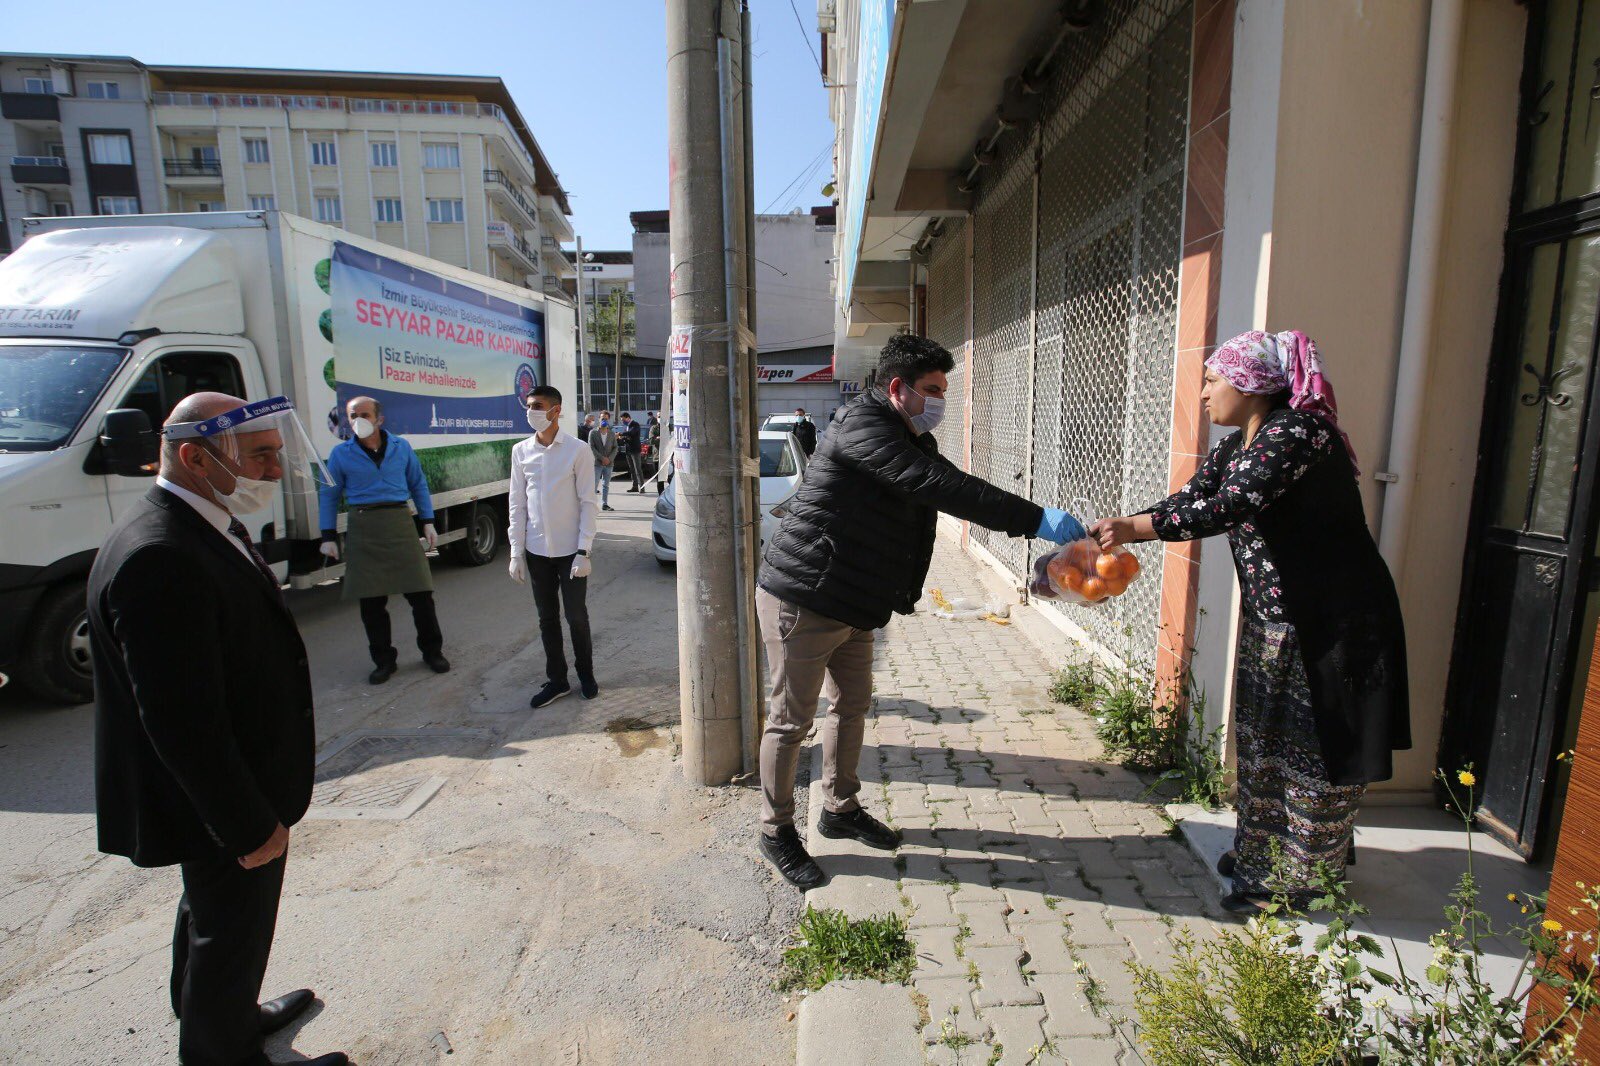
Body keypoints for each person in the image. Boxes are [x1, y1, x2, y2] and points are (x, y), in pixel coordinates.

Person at [1092, 329, 1409, 917]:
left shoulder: (1299, 434)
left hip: (1333, 623)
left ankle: (1304, 879)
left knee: (1317, 748)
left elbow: (1232, 505)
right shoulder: (1241, 443)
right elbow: (1193, 498)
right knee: (1264, 740)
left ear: (1250, 385)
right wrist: (1122, 525)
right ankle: (1264, 855)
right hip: (1277, 621)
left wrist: (1137, 530)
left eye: (1213, 379)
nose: (1204, 391)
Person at [756, 333, 1086, 889]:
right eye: (932, 390)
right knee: (791, 722)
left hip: (856, 601)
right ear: (896, 388)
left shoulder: (905, 436)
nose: (940, 402)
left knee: (852, 707)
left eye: (944, 391)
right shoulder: (863, 428)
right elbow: (940, 487)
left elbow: (928, 505)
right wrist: (1033, 518)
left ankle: (839, 809)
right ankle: (775, 830)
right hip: (806, 599)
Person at [88, 392, 348, 1066]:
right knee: (231, 927)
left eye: (275, 453)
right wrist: (247, 825)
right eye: (258, 456)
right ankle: (221, 1050)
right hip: (224, 799)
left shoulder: (194, 523)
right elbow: (182, 722)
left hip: (224, 791)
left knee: (212, 919)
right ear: (193, 457)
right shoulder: (160, 553)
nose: (272, 470)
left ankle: (221, 1010)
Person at [317, 396, 449, 685]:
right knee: (372, 603)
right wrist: (327, 535)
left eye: (364, 414)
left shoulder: (401, 447)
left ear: (379, 419)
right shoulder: (340, 454)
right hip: (364, 526)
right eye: (352, 416)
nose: (358, 420)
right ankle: (384, 661)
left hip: (399, 521)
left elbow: (418, 483)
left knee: (421, 595)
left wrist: (427, 521)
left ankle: (432, 652)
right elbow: (328, 494)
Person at [508, 385, 600, 708]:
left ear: (556, 410)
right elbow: (517, 504)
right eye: (528, 405)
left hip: (570, 553)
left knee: (576, 617)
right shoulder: (521, 451)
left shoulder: (577, 451)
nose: (530, 411)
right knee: (547, 619)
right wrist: (515, 551)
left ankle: (586, 674)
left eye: (537, 405)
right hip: (537, 554)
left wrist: (584, 549)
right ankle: (558, 680)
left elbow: (589, 503)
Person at [590, 412, 619, 512]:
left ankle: (604, 504)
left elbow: (615, 447)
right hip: (597, 463)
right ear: (599, 419)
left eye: (606, 419)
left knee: (606, 485)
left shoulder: (611, 433)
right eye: (602, 418)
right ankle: (591, 504)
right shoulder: (593, 433)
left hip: (609, 464)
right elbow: (591, 447)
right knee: (594, 484)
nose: (604, 421)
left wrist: (609, 459)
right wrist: (602, 458)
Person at [619, 412, 645, 492]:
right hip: (628, 450)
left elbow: (631, 433)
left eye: (623, 419)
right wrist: (622, 438)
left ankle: (641, 487)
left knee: (638, 469)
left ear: (628, 418)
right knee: (632, 469)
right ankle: (634, 486)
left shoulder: (635, 424)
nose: (623, 421)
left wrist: (620, 434)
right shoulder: (627, 426)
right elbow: (627, 437)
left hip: (635, 450)